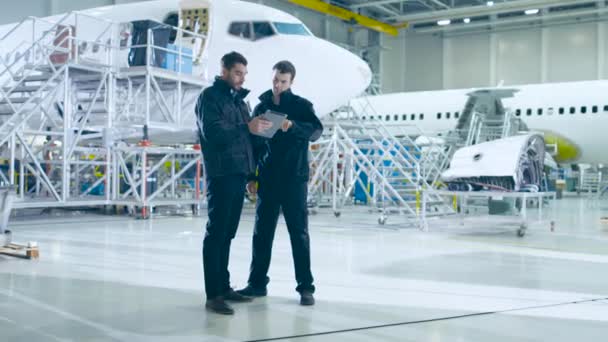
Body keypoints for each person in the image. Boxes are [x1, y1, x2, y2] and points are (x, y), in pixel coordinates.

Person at [237, 60, 323, 306]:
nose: (278, 85)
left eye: (283, 81)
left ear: (291, 82)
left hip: (294, 180)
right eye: (275, 80)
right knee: (261, 233)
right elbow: (253, 144)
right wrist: (252, 176)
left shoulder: (301, 106)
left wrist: (292, 126)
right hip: (268, 179)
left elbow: (316, 131)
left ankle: (306, 288)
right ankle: (256, 284)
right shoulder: (261, 106)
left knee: (299, 234)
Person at [195, 51, 272, 315]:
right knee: (216, 233)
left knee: (227, 233)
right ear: (224, 70)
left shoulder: (239, 101)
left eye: (244, 74)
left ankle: (224, 287)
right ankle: (213, 294)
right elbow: (213, 133)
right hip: (221, 173)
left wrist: (253, 174)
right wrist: (247, 127)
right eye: (237, 73)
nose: (241, 78)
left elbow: (246, 142)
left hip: (239, 173)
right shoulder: (210, 97)